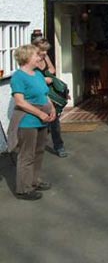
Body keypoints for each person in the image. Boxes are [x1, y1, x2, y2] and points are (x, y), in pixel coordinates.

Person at [7, 45, 56, 200]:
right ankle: (24, 188)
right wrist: (40, 113)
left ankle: (34, 180)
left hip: (42, 120)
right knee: (26, 155)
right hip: (27, 122)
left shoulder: (38, 75)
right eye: (37, 55)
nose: (40, 57)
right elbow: (20, 102)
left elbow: (45, 95)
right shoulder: (18, 77)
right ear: (27, 57)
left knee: (39, 152)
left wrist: (52, 109)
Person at [32, 38, 67, 158]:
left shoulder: (45, 57)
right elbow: (28, 76)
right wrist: (42, 79)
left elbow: (52, 69)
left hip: (49, 91)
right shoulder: (31, 59)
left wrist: (47, 74)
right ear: (36, 48)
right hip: (37, 93)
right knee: (39, 119)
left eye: (46, 50)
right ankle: (35, 147)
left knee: (54, 119)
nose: (45, 53)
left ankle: (59, 146)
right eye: (43, 50)